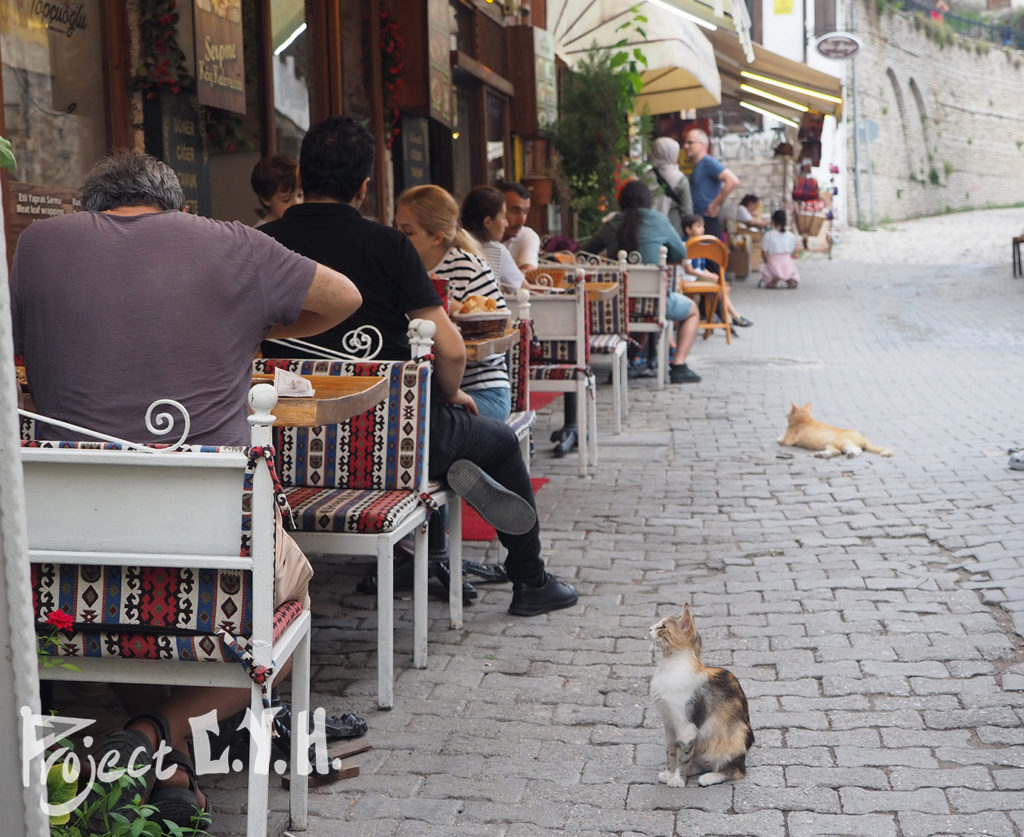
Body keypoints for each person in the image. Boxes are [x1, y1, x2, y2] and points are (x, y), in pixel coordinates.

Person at [9, 149, 362, 828]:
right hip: (210, 561)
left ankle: (168, 763)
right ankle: (154, 731)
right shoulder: (228, 241)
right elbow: (344, 297)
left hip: (67, 566)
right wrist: (253, 322)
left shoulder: (40, 244)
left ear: (94, 206)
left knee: (127, 588)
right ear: (170, 204)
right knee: (294, 581)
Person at [260, 115, 579, 617]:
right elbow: (450, 350)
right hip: (386, 444)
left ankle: (437, 519)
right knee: (496, 441)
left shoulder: (261, 241)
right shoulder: (389, 246)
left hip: (281, 440)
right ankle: (530, 580)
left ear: (300, 178)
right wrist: (451, 396)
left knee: (455, 442)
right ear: (365, 187)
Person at [396, 184, 512, 421]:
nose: (398, 237)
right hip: (421, 388)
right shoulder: (396, 268)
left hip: (482, 390)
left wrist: (453, 309)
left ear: (437, 236)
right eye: (395, 228)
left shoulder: (468, 268)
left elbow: (501, 325)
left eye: (407, 232)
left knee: (421, 420)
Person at [581, 180, 702, 385]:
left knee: (632, 304)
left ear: (621, 201)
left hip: (616, 306)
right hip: (654, 303)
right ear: (648, 201)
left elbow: (585, 253)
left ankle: (629, 361)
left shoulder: (612, 224)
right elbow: (681, 253)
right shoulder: (659, 220)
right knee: (693, 310)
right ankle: (679, 365)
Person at [681, 213, 753, 330]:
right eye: (698, 226)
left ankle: (724, 318)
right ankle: (733, 317)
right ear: (688, 229)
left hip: (696, 276)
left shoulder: (699, 244)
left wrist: (711, 275)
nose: (702, 229)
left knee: (722, 284)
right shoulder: (685, 246)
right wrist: (709, 276)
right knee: (721, 286)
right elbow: (690, 270)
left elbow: (700, 268)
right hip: (689, 278)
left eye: (702, 226)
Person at [461, 185, 528, 291]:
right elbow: (523, 289)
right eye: (503, 217)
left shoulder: (452, 247)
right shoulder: (496, 251)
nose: (506, 224)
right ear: (487, 222)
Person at [683, 127, 739, 241]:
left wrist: (716, 204)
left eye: (690, 142)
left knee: (711, 255)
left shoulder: (708, 162)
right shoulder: (699, 165)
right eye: (685, 142)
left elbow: (732, 181)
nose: (686, 146)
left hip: (708, 221)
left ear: (702, 145)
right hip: (699, 222)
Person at [649, 136, 693, 239]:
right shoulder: (680, 179)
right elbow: (687, 211)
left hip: (650, 231)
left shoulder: (645, 178)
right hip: (674, 232)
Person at [497, 180, 541, 270]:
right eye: (515, 211)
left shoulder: (527, 236)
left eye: (525, 212)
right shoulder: (476, 239)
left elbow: (528, 271)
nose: (522, 220)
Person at [250, 153, 302, 226]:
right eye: (286, 199)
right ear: (266, 199)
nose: (297, 203)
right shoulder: (259, 233)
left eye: (300, 195)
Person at [759, 209, 801, 289]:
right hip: (787, 262)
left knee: (769, 273)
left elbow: (764, 253)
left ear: (773, 221)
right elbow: (793, 252)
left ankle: (773, 279)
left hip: (773, 262)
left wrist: (767, 261)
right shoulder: (790, 235)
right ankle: (789, 279)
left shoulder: (768, 235)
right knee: (791, 267)